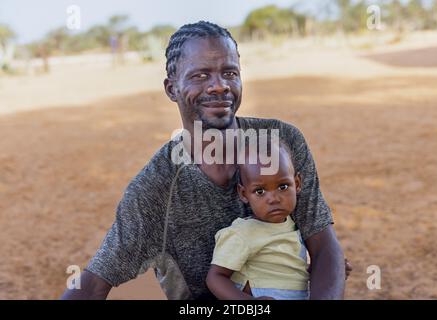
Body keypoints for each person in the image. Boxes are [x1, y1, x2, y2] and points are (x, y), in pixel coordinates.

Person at [61, 21, 351, 300]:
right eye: (200, 75)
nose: (219, 86)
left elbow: (324, 246)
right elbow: (93, 286)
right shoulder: (156, 188)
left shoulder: (281, 143)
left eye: (229, 72)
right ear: (171, 88)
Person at [207, 139, 310, 300]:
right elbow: (215, 277)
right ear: (243, 194)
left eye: (283, 186)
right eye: (260, 191)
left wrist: (323, 269)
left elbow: (288, 272)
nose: (274, 199)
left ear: (296, 183)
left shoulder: (292, 225)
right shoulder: (243, 233)